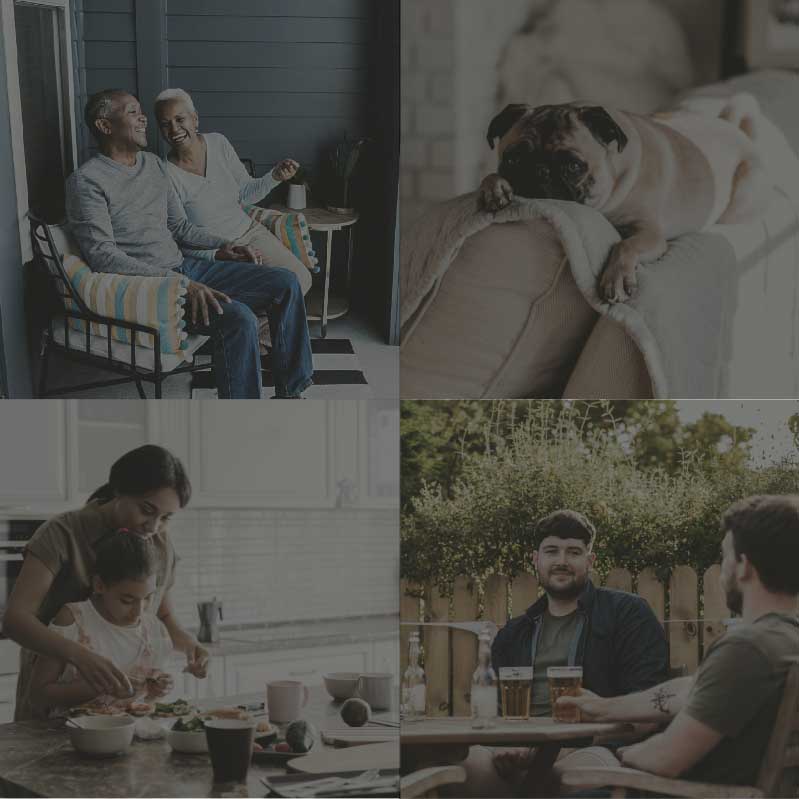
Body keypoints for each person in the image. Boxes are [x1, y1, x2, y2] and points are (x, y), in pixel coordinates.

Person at [66, 89, 313, 399]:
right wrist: (180, 284)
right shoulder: (87, 181)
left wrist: (225, 246)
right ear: (105, 126)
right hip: (155, 287)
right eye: (132, 112)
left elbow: (179, 226)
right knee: (240, 319)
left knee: (286, 282)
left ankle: (291, 394)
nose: (144, 118)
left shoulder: (153, 165)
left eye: (141, 111)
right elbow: (103, 256)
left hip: (186, 269)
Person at [555, 495, 799, 790]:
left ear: (744, 567)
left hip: (691, 794)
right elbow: (691, 689)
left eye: (725, 557)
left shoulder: (748, 648)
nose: (722, 572)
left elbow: (665, 758)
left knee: (554, 783)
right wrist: (604, 707)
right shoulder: (783, 641)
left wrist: (625, 753)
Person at [455, 509, 668, 798]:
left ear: (590, 561)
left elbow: (649, 708)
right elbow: (493, 711)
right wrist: (503, 744)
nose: (562, 561)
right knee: (460, 767)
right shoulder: (513, 633)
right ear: (536, 559)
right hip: (516, 752)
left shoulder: (628, 613)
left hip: (590, 748)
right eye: (552, 551)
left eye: (574, 552)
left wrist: (589, 731)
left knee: (575, 777)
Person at [2, 445, 207, 721]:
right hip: (52, 714)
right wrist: (80, 656)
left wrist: (191, 645)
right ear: (119, 490)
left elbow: (163, 614)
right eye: (147, 510)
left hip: (122, 719)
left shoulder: (159, 543)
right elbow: (15, 620)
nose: (154, 526)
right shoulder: (62, 533)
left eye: (166, 517)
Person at [154, 88, 313, 297]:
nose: (174, 129)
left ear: (195, 119)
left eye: (180, 119)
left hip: (250, 232)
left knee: (301, 280)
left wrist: (275, 176)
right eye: (165, 124)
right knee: (266, 295)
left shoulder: (218, 143)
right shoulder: (166, 174)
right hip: (219, 253)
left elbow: (245, 195)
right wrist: (217, 254)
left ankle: (265, 325)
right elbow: (180, 236)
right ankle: (261, 325)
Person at [29, 530, 175, 715]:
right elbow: (38, 695)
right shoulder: (73, 619)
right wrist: (96, 688)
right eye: (127, 601)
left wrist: (159, 688)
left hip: (132, 735)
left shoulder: (154, 629)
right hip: (73, 736)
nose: (139, 612)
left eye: (147, 598)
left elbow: (149, 699)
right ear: (99, 585)